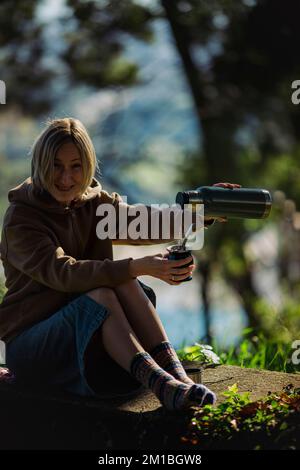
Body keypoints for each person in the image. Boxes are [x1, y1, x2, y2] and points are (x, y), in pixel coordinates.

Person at [0, 117, 240, 410]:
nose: (65, 178)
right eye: (56, 165)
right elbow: (64, 274)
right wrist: (139, 266)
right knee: (105, 292)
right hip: (31, 347)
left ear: (87, 165)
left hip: (87, 331)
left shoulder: (92, 203)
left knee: (121, 282)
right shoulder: (22, 218)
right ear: (40, 164)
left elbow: (145, 222)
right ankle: (161, 385)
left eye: (75, 166)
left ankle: (179, 380)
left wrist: (201, 212)